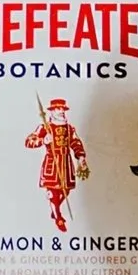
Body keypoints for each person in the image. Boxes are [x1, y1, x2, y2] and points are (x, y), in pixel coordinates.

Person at [24, 98, 88, 232]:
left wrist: (81, 157)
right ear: (52, 111)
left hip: (66, 163)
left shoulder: (69, 128)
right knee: (53, 192)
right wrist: (43, 140)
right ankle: (58, 217)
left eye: (63, 109)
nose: (62, 112)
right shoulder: (45, 127)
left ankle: (55, 208)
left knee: (66, 190)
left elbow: (75, 143)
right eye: (59, 109)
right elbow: (29, 141)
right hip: (52, 163)